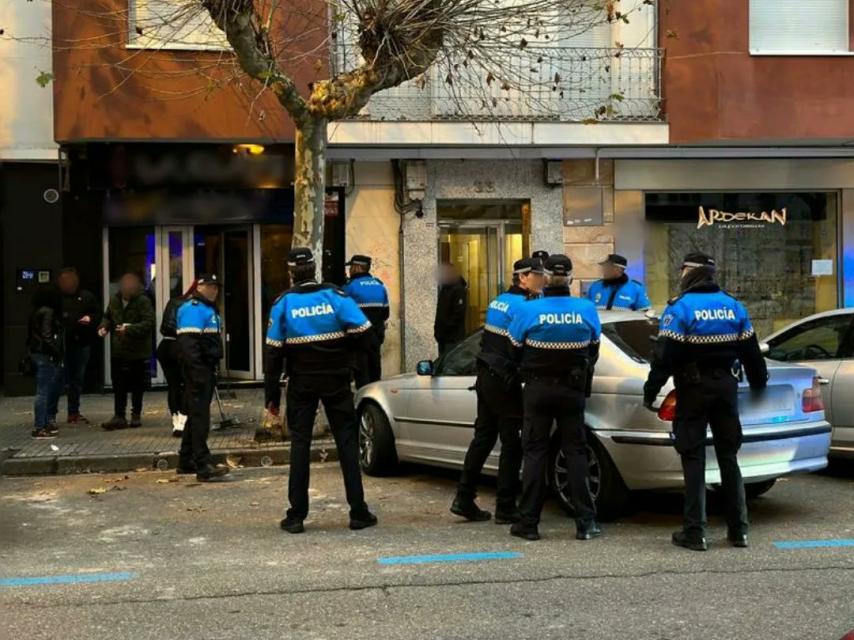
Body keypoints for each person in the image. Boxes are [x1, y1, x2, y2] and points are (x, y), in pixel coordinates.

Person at [643, 252, 767, 551]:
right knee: (729, 457)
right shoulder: (732, 306)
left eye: (683, 269)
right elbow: (752, 353)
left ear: (693, 273)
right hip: (727, 389)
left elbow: (664, 357)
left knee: (694, 457)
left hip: (693, 390)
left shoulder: (680, 308)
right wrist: (759, 385)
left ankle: (695, 532)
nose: (680, 273)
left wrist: (651, 390)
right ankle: (739, 530)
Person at [265, 247, 377, 534]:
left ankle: (296, 516)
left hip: (301, 382)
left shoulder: (283, 303)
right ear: (315, 268)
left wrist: (271, 399)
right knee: (347, 444)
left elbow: (273, 355)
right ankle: (358, 511)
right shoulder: (336, 296)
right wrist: (351, 365)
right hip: (336, 380)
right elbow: (366, 336)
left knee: (300, 445)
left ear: (291, 272)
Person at [506, 254, 602, 542]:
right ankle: (586, 523)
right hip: (572, 390)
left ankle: (529, 523)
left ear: (545, 278)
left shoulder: (528, 310)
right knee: (575, 452)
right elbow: (594, 351)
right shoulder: (586, 309)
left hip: (537, 389)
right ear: (571, 278)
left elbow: (512, 351)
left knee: (535, 453)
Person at [451, 257, 545, 524]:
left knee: (483, 437)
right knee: (511, 444)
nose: (541, 281)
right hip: (505, 380)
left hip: (487, 377)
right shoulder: (525, 307)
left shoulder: (499, 300)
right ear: (522, 277)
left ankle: (464, 498)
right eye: (536, 276)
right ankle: (505, 506)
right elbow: (525, 346)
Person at [175, 274, 230, 482]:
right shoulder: (193, 308)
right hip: (198, 371)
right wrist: (198, 373)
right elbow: (188, 346)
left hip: (204, 369)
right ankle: (203, 464)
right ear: (199, 287)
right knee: (201, 419)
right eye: (210, 287)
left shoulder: (206, 308)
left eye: (216, 287)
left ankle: (186, 459)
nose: (214, 291)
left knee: (196, 416)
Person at [98, 272, 155, 430]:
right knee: (119, 385)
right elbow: (108, 316)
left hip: (138, 351)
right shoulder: (115, 300)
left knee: (137, 385)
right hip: (119, 350)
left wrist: (129, 329)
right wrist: (103, 327)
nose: (126, 288)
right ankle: (119, 415)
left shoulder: (143, 301)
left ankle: (135, 414)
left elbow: (148, 323)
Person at [57, 268, 101, 424]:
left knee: (77, 379)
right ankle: (50, 415)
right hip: (61, 345)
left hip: (82, 342)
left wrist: (90, 318)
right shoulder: (56, 299)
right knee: (60, 379)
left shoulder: (86, 297)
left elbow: (97, 313)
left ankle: (73, 412)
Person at [343, 254, 390, 387]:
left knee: (361, 374)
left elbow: (343, 315)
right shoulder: (380, 285)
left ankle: (362, 402)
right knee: (375, 371)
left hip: (358, 339)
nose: (349, 270)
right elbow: (386, 314)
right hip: (376, 337)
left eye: (351, 267)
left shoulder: (349, 287)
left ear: (357, 267)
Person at [157, 281, 196, 438]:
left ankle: (177, 421)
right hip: (180, 347)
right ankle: (183, 420)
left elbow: (164, 327)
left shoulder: (173, 302)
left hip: (165, 346)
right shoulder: (193, 306)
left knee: (173, 386)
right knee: (187, 383)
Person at [27, 285, 65, 439]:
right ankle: (40, 427)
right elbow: (47, 335)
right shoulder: (48, 312)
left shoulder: (36, 311)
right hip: (45, 354)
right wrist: (56, 352)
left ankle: (41, 425)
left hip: (37, 352)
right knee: (44, 391)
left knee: (43, 390)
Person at [434, 262, 467, 357]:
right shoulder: (444, 289)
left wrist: (446, 328)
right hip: (442, 336)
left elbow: (458, 313)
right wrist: (437, 331)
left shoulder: (458, 289)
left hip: (453, 337)